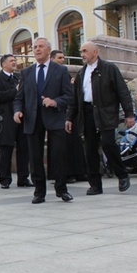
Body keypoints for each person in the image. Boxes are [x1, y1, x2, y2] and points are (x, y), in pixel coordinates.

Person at [66, 41, 135, 196]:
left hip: (106, 112)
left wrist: (129, 114)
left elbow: (123, 92)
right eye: (81, 51)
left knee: (108, 144)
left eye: (84, 51)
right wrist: (70, 117)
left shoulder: (109, 68)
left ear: (95, 52)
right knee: (90, 150)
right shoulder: (82, 73)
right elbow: (75, 98)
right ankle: (95, 184)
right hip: (87, 113)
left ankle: (122, 174)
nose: (82, 54)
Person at [14, 37, 73, 204]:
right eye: (35, 47)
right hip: (32, 119)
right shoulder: (26, 72)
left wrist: (55, 102)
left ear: (48, 50)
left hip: (54, 117)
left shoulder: (60, 71)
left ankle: (62, 189)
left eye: (41, 47)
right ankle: (39, 192)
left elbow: (69, 95)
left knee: (58, 155)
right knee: (35, 156)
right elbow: (19, 98)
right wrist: (17, 111)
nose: (37, 49)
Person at [0, 54, 31, 189]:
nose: (14, 62)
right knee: (6, 149)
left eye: (15, 60)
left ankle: (23, 178)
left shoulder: (19, 78)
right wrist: (16, 91)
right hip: (6, 119)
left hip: (21, 118)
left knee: (24, 149)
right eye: (11, 61)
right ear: (3, 64)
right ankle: (5, 179)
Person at [49, 49, 87, 183]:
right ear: (52, 59)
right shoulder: (50, 74)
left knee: (74, 143)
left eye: (63, 58)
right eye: (59, 58)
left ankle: (79, 172)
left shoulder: (64, 72)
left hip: (70, 112)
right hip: (58, 113)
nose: (62, 60)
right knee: (62, 145)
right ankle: (65, 173)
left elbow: (70, 93)